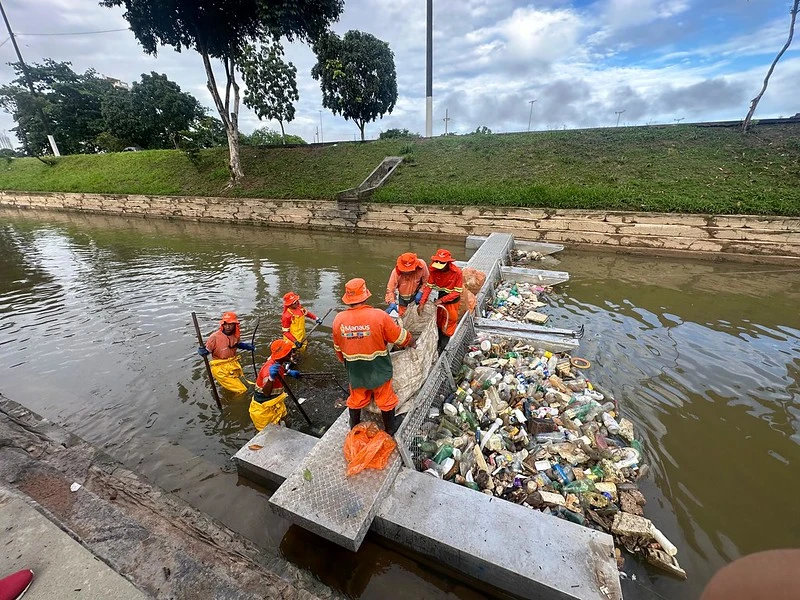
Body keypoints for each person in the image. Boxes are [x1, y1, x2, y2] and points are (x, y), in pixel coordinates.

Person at [332, 278, 413, 435]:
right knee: (385, 398)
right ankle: (390, 429)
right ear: (365, 296)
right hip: (378, 368)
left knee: (356, 397)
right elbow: (400, 337)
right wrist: (412, 342)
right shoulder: (379, 316)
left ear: (348, 299)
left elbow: (338, 350)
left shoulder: (338, 320)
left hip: (355, 370)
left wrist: (348, 364)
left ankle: (354, 425)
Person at [249, 339, 302, 430]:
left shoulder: (277, 361)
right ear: (283, 355)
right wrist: (271, 378)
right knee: (268, 436)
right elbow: (266, 392)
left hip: (276, 402)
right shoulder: (268, 370)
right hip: (264, 409)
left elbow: (279, 368)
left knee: (286, 422)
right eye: (289, 352)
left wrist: (288, 371)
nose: (292, 354)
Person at [418, 249, 463, 354]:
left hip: (452, 302)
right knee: (438, 322)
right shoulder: (434, 271)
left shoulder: (457, 273)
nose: (439, 266)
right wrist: (422, 302)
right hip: (440, 299)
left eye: (442, 263)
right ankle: (437, 344)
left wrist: (442, 300)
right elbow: (428, 287)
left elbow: (457, 292)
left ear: (448, 263)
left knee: (449, 323)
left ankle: (444, 349)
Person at [196, 311, 254, 394]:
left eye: (230, 324)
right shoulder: (214, 337)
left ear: (235, 325)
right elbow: (207, 351)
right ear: (222, 324)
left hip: (233, 364)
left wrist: (247, 346)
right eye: (225, 324)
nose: (228, 327)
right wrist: (202, 352)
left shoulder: (235, 335)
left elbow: (235, 344)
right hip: (220, 368)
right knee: (242, 390)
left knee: (246, 384)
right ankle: (235, 405)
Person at [385, 252, 429, 317]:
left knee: (419, 315)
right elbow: (390, 289)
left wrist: (421, 291)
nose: (407, 272)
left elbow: (427, 281)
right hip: (403, 298)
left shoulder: (422, 266)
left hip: (418, 295)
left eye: (409, 270)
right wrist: (392, 302)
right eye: (405, 271)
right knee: (403, 316)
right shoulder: (396, 272)